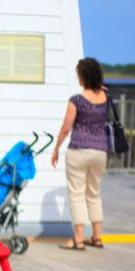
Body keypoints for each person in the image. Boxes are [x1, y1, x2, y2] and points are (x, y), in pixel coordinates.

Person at [51, 57, 109, 250]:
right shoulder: (106, 97)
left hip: (78, 150)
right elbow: (102, 90)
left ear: (83, 76)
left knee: (76, 194)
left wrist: (56, 148)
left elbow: (66, 127)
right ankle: (97, 237)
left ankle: (78, 239)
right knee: (94, 193)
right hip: (100, 151)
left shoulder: (76, 100)